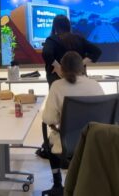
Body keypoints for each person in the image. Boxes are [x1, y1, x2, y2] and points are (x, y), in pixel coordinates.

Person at [42, 51, 104, 196]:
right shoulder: (95, 85)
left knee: (49, 139)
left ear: (61, 69)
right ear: (81, 68)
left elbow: (48, 119)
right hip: (95, 141)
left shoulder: (57, 86)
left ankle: (58, 184)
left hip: (68, 143)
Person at [42, 15, 102, 88]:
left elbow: (46, 53)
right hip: (79, 80)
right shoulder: (79, 38)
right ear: (68, 25)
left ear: (55, 26)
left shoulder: (51, 40)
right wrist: (80, 64)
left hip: (57, 80)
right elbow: (97, 51)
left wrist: (58, 67)